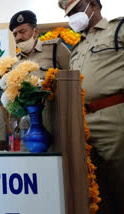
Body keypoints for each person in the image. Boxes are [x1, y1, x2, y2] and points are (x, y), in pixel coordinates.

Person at [58, 1, 124, 213]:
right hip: (82, 123)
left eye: (76, 11)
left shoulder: (119, 29)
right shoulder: (77, 47)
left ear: (93, 5)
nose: (73, 18)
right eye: (69, 15)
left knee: (120, 181)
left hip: (114, 117)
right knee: (95, 188)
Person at [9, 10, 71, 79]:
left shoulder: (55, 49)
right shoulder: (14, 61)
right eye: (15, 34)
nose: (18, 37)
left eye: (22, 32)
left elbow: (75, 77)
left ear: (35, 32)